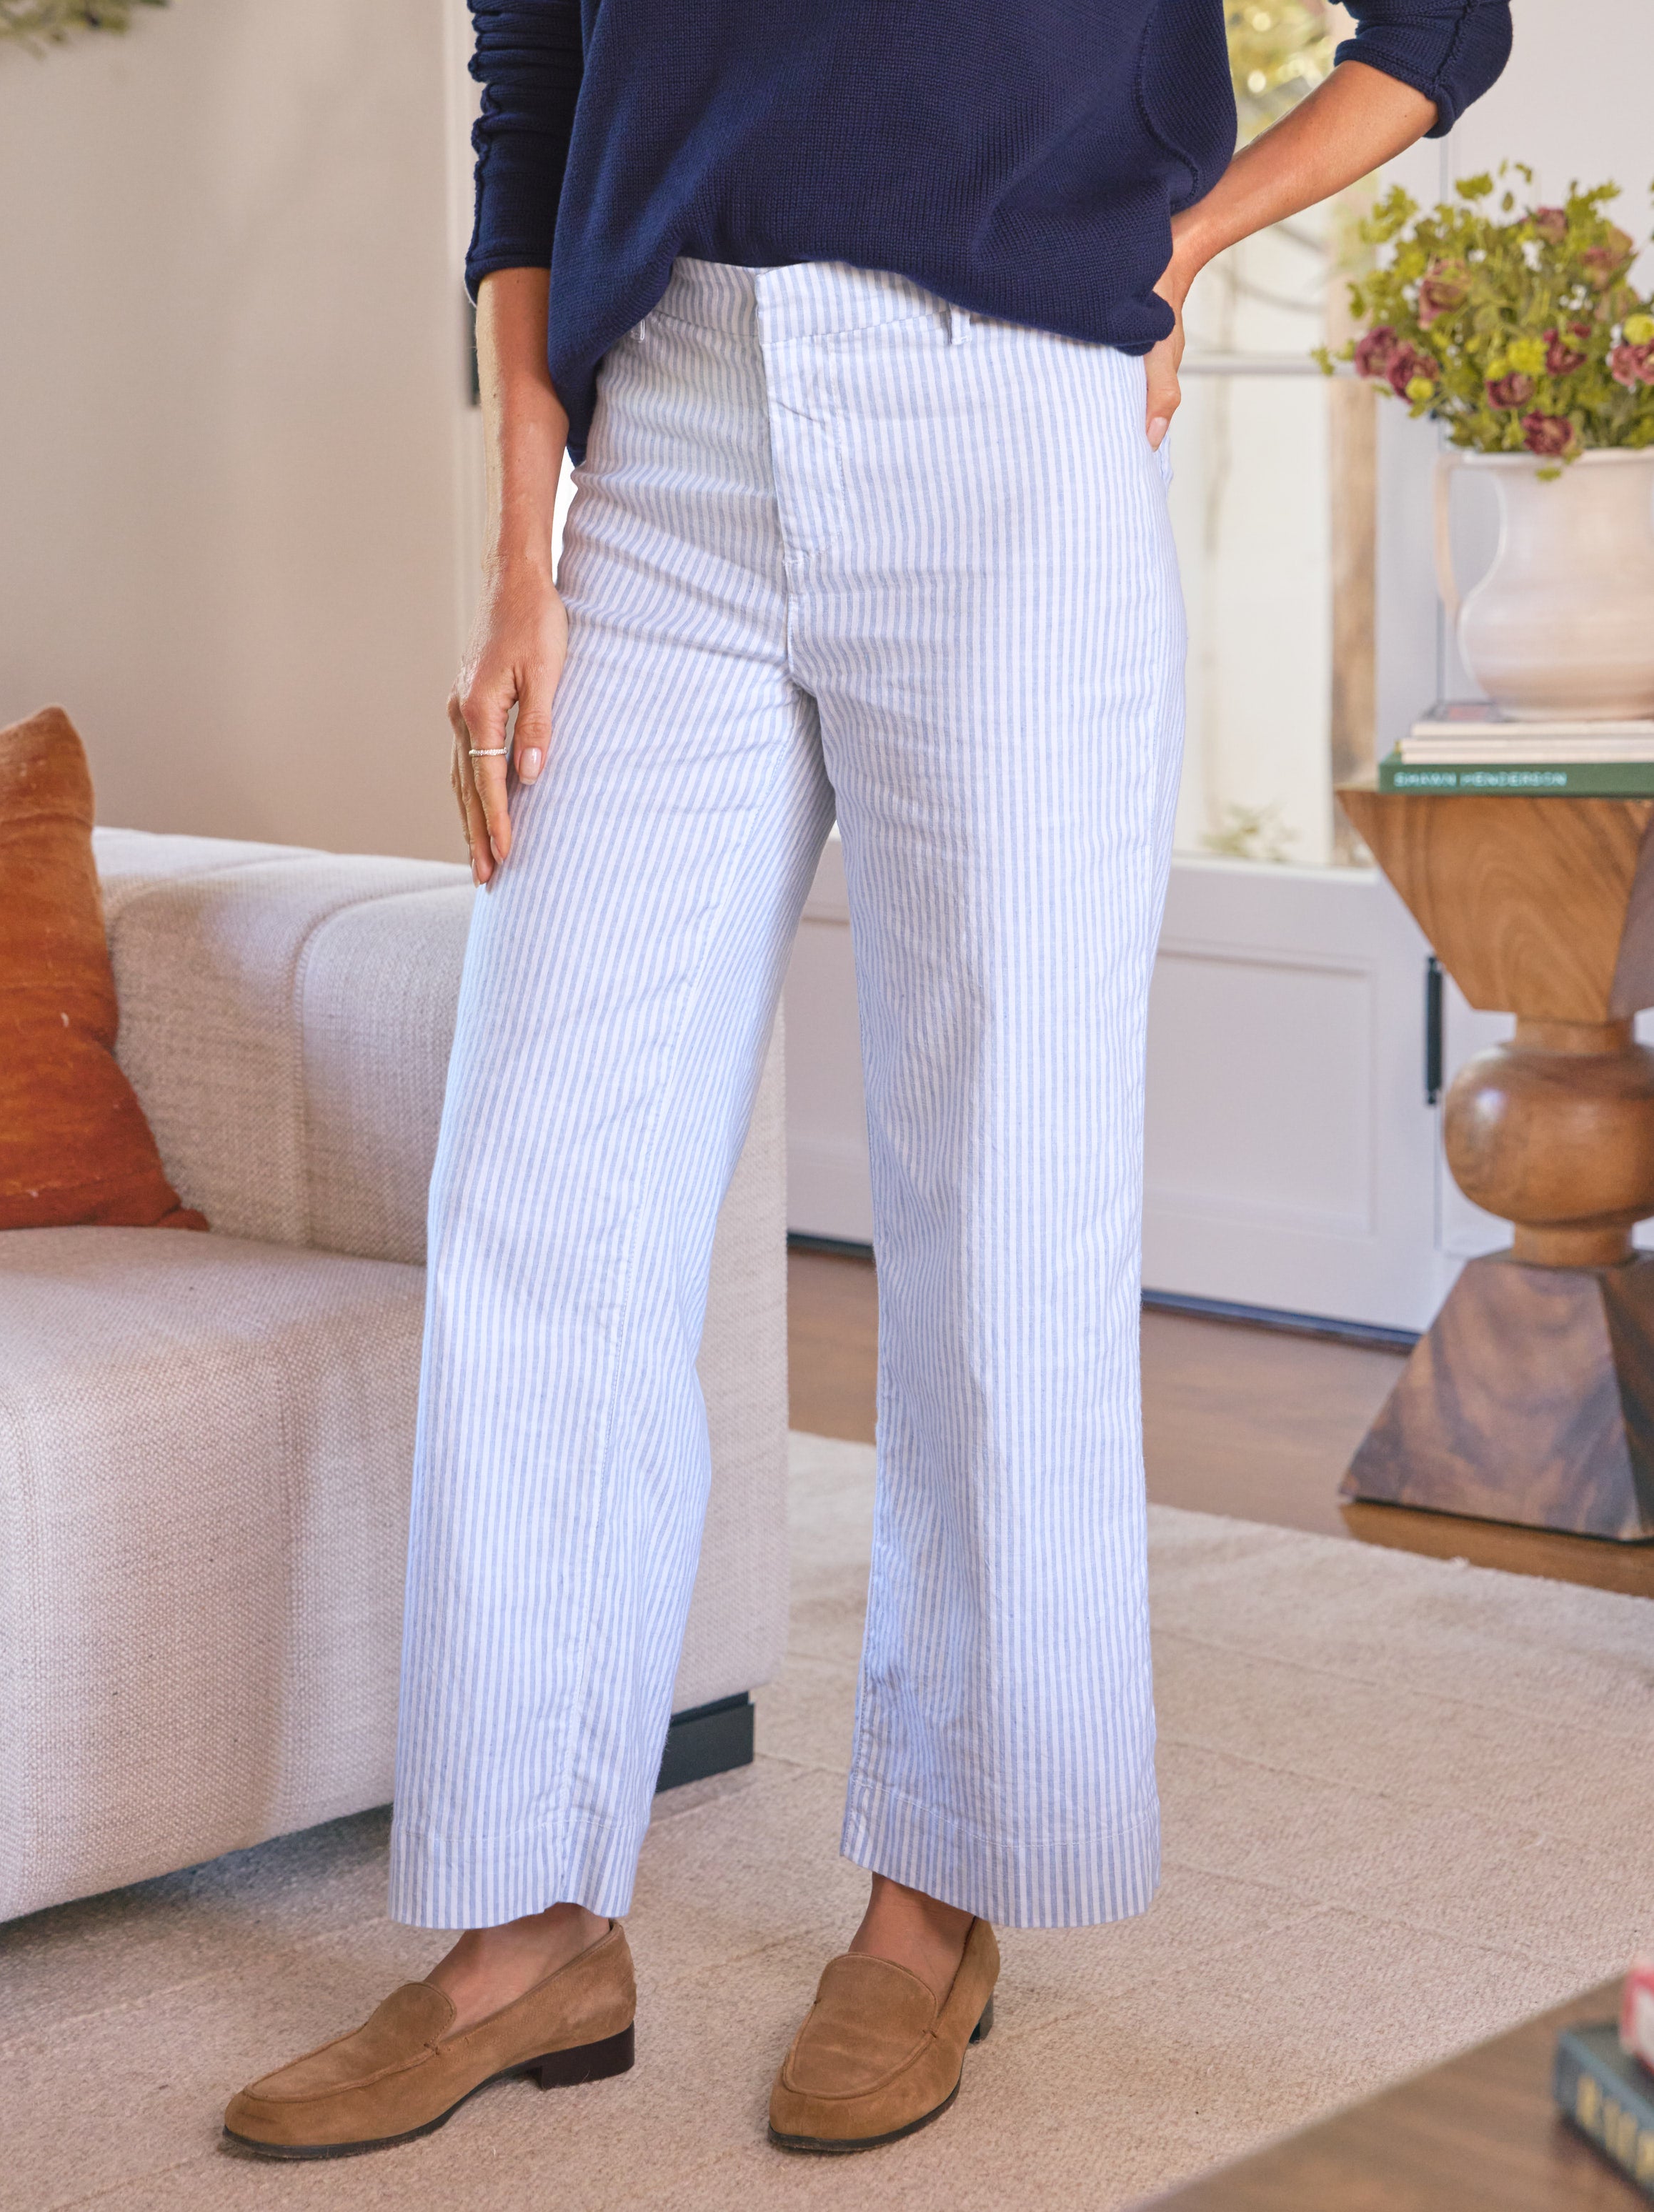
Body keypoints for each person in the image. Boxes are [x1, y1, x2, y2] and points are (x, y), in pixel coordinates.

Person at [223, 0, 1511, 2162]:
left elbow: (1445, 23)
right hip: (664, 444)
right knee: (540, 1187)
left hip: (1004, 419)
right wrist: (521, 549)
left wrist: (1179, 243)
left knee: (999, 1197)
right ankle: (526, 1929)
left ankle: (936, 1901)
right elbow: (532, 87)